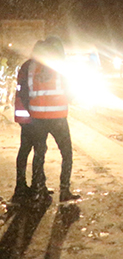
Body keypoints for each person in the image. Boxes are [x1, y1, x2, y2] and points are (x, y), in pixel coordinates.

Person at [29, 36, 80, 204]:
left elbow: (29, 90)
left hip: (37, 118)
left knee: (39, 154)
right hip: (57, 118)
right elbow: (71, 93)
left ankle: (39, 189)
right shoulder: (60, 67)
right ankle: (64, 189)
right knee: (66, 154)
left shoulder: (33, 66)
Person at [11, 41, 49, 204]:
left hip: (24, 114)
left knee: (26, 148)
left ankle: (22, 186)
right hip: (32, 115)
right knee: (39, 148)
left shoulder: (26, 65)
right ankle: (36, 186)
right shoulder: (34, 67)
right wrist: (34, 113)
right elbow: (27, 92)